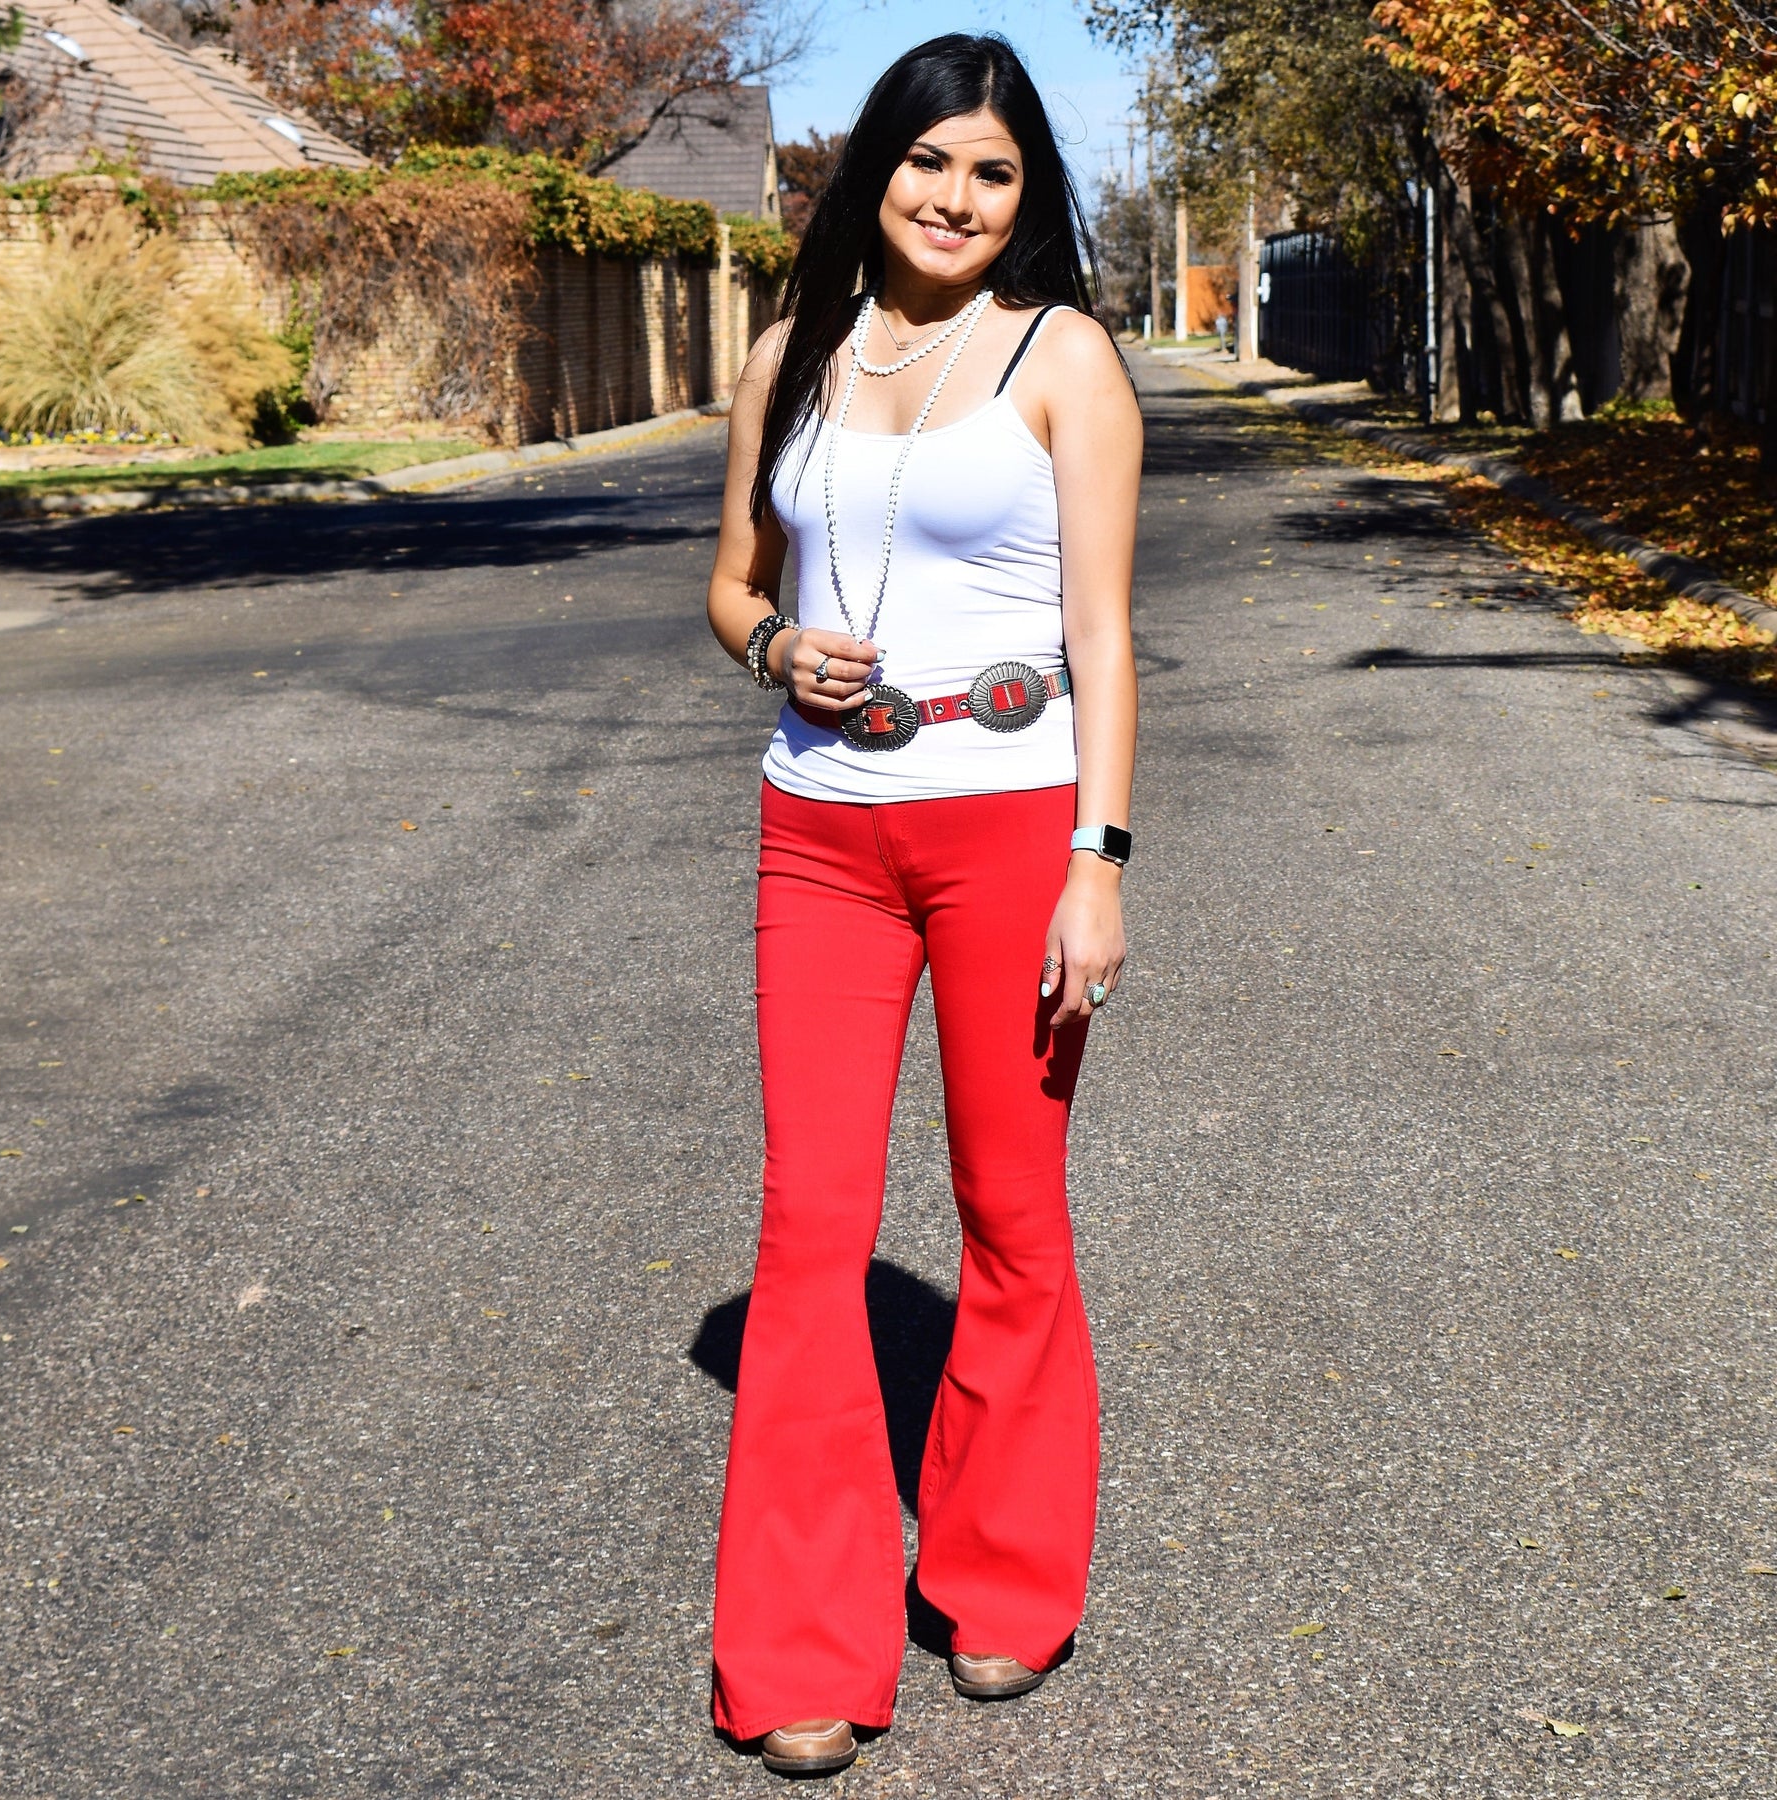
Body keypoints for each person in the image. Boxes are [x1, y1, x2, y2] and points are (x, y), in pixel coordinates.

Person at [704, 32, 1142, 1778]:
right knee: (812, 1227)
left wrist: (1097, 865)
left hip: (1011, 827)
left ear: (1027, 197)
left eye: (994, 173)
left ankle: (1000, 1575)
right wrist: (778, 646)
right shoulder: (787, 356)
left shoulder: (1062, 355)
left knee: (1008, 1212)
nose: (957, 198)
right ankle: (800, 1646)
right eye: (931, 160)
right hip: (820, 831)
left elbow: (1104, 635)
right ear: (874, 166)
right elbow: (730, 588)